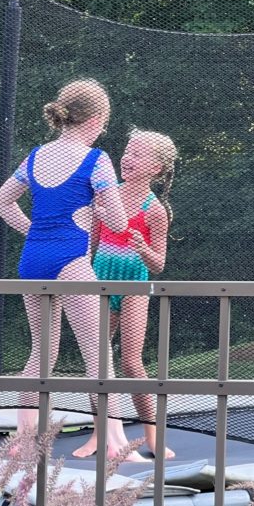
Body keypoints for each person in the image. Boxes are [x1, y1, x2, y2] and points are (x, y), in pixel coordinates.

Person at [0, 78, 144, 461]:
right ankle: (116, 445)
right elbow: (119, 221)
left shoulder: (35, 156)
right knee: (98, 354)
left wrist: (35, 230)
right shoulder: (96, 160)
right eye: (104, 122)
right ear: (95, 119)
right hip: (71, 261)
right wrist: (98, 209)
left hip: (33, 260)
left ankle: (25, 441)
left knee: (41, 353)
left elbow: (0, 202)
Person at [74, 129, 177, 460]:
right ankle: (99, 434)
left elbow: (158, 264)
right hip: (101, 285)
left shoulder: (154, 210)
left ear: (156, 168)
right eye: (127, 151)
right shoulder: (106, 196)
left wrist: (143, 247)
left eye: (138, 154)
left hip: (134, 287)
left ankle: (153, 436)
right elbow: (90, 246)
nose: (127, 157)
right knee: (97, 361)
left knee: (131, 362)